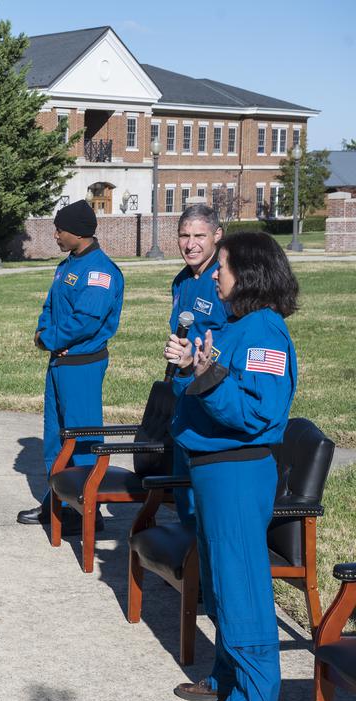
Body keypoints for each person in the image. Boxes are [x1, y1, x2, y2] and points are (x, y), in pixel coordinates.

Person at [163, 231, 298, 701]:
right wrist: (189, 368)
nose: (215, 274)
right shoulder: (238, 326)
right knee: (220, 585)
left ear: (249, 274)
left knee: (241, 586)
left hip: (237, 473)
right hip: (213, 471)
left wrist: (209, 376)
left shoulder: (264, 333)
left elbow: (258, 413)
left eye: (222, 266)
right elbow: (206, 390)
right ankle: (227, 676)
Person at [17, 199, 124, 531]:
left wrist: (50, 340)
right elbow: (50, 306)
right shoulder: (66, 265)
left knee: (82, 436)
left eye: (60, 229)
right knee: (56, 437)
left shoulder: (100, 272)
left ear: (78, 232)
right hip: (59, 364)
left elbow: (85, 322)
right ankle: (58, 502)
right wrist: (42, 332)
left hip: (82, 365)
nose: (55, 234)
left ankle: (89, 512)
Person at [168, 203, 229, 533]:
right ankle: (187, 572)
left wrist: (200, 359)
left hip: (209, 391)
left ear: (217, 236)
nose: (190, 244)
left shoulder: (225, 279)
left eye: (199, 236)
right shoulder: (182, 280)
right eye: (184, 235)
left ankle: (204, 572)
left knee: (203, 489)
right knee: (182, 485)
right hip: (182, 393)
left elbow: (233, 339)